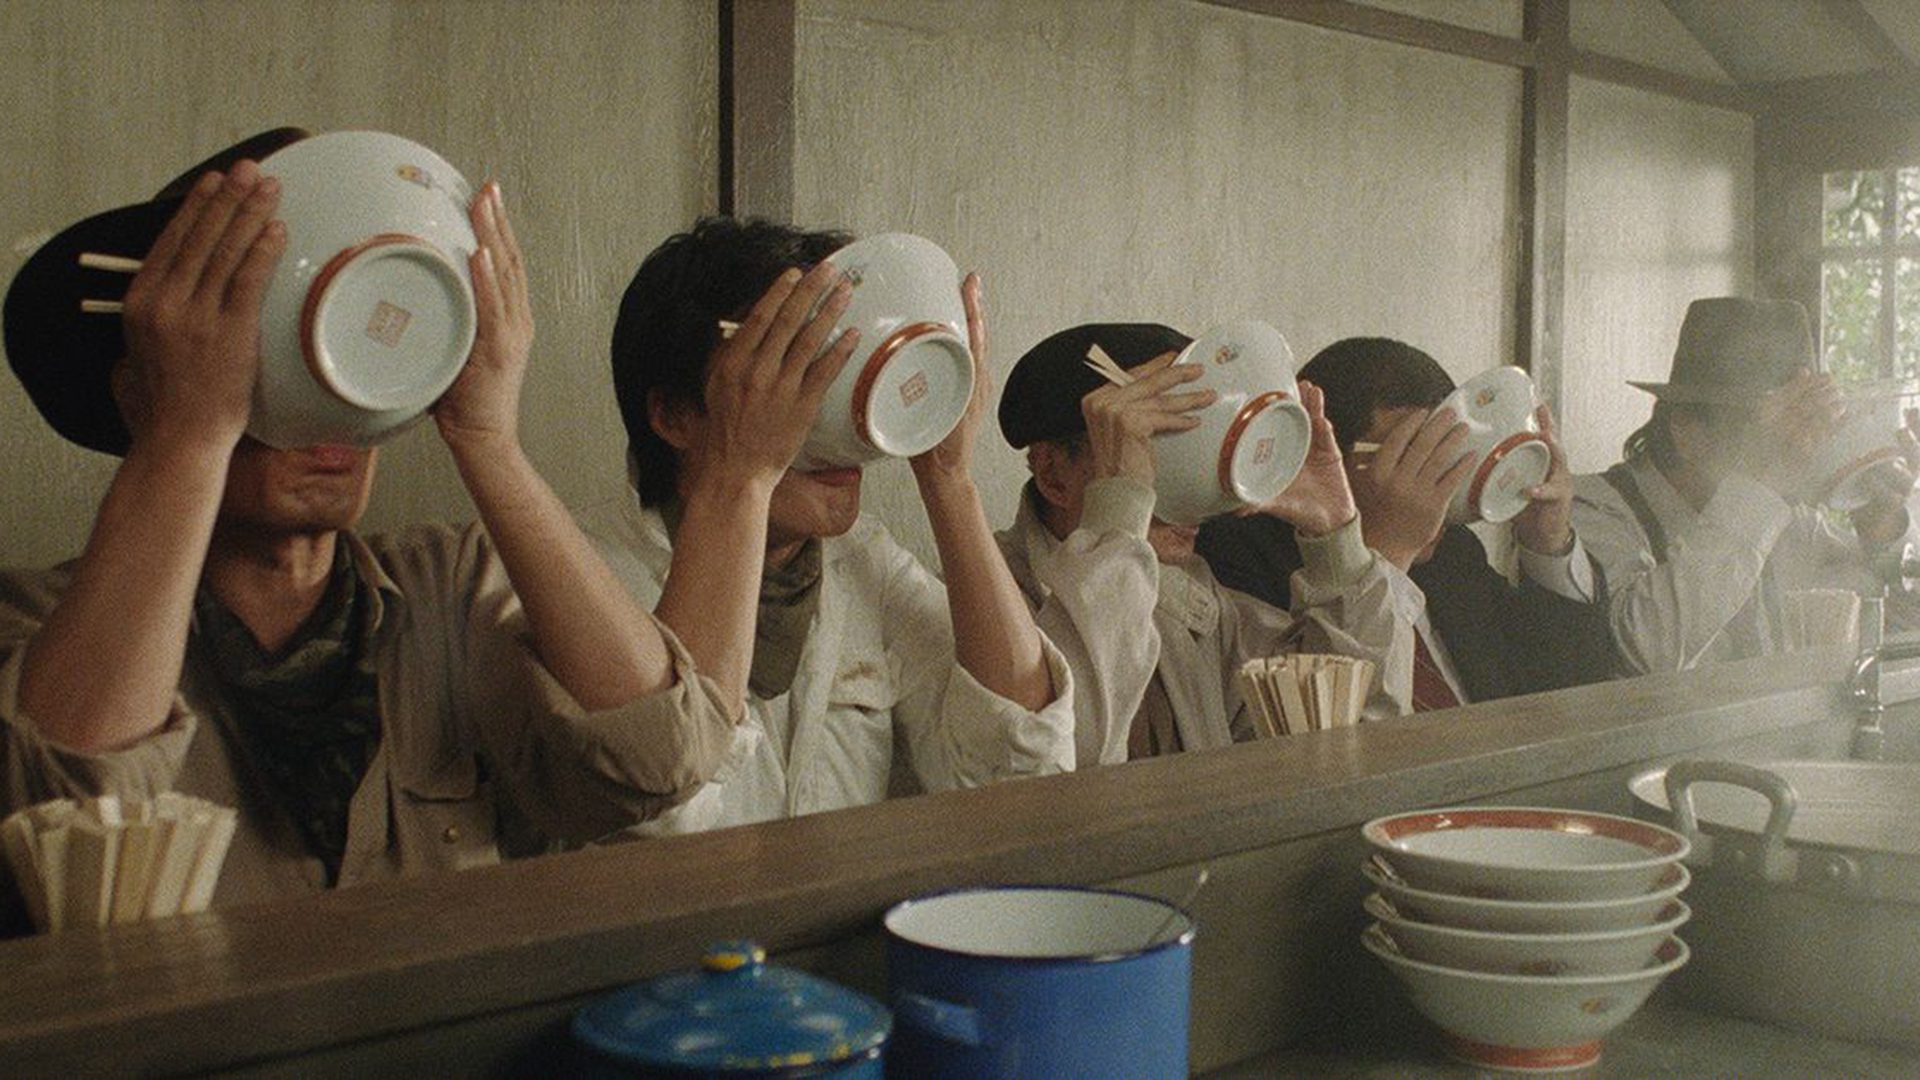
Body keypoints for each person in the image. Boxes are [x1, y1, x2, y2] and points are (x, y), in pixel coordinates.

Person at [0, 133, 734, 913]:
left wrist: (489, 440)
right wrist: (185, 434)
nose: (332, 411)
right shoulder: (37, 623)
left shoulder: (451, 586)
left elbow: (662, 759)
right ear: (143, 391)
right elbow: (65, 814)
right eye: (279, 356)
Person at [578, 217, 1074, 833]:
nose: (828, 421)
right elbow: (669, 821)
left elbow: (1025, 774)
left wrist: (948, 476)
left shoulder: (863, 564)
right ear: (675, 416)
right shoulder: (583, 579)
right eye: (788, 375)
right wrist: (742, 480)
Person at [993, 323, 1413, 764]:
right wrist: (1121, 514)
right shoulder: (981, 608)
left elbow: (1351, 746)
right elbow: (1057, 762)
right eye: (1155, 452)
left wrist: (1336, 546)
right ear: (1053, 475)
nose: (1196, 499)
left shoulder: (1197, 607)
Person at [1198, 338, 1617, 706]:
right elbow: (1324, 733)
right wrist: (1385, 555)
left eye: (1449, 455)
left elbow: (1570, 699)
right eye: (1410, 456)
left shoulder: (1453, 554)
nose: (1437, 484)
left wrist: (1547, 543)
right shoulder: (1240, 558)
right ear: (1323, 458)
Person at [1572, 297, 1920, 673]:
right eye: (1773, 430)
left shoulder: (1789, 524)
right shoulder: (1589, 510)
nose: (1797, 447)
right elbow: (1645, 651)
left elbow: (1902, 631)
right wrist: (1762, 480)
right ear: (1686, 429)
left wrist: (1883, 529)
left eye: (1806, 428)